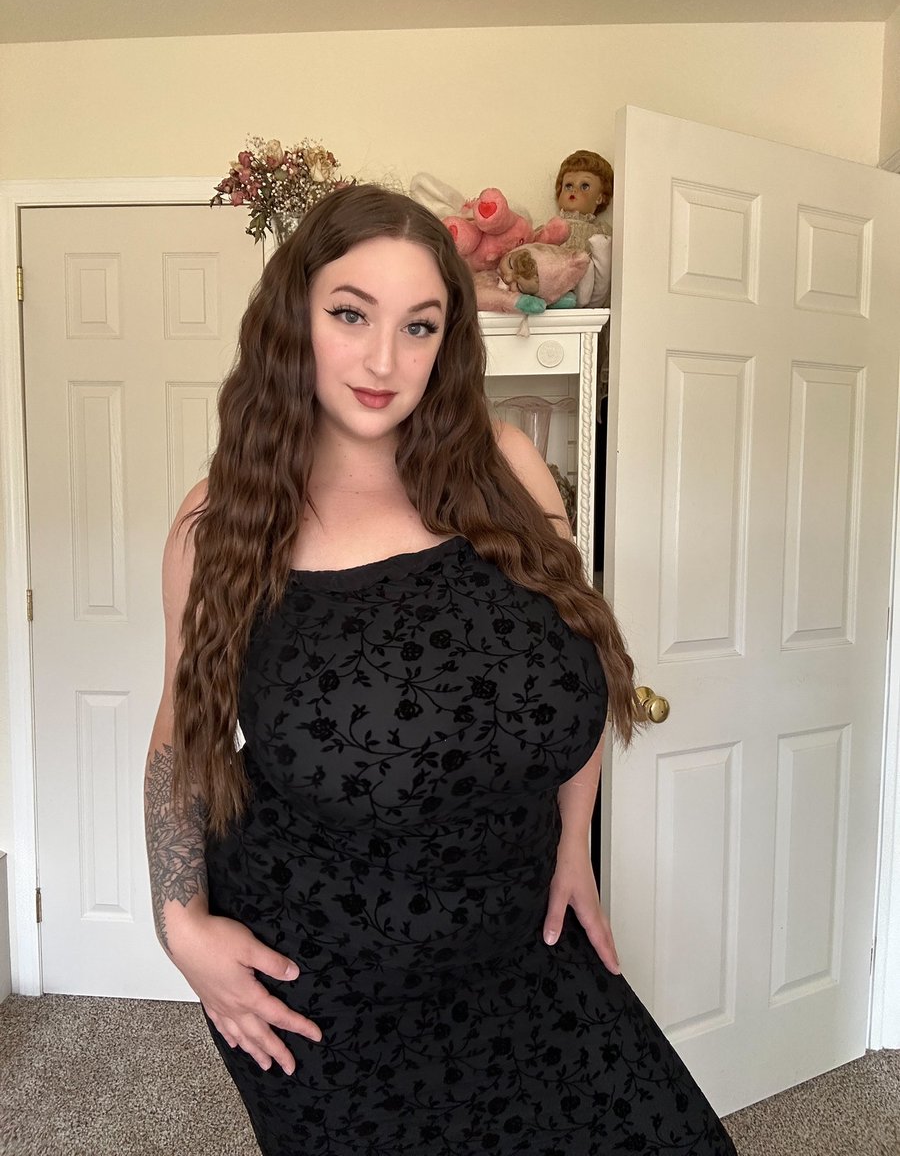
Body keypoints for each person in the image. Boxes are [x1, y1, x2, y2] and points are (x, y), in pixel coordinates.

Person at [144, 185, 737, 1155]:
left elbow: (571, 662)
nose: (385, 360)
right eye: (351, 315)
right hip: (325, 979)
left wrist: (574, 844)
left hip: (520, 936)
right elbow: (182, 738)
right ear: (292, 318)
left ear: (448, 341)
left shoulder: (505, 466)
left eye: (418, 326)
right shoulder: (223, 523)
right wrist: (181, 924)